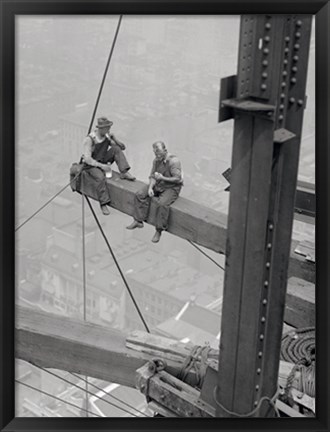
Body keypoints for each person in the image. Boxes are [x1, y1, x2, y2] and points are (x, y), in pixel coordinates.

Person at [126, 141, 183, 243]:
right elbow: (153, 176)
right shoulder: (156, 160)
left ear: (165, 151)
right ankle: (138, 220)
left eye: (159, 153)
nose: (157, 156)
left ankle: (159, 230)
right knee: (140, 194)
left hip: (171, 187)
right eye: (156, 154)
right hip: (159, 184)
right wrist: (150, 188)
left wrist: (163, 177)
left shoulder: (174, 161)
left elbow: (177, 179)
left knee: (162, 204)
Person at [81, 117, 135, 215]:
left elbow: (122, 148)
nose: (109, 130)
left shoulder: (106, 136)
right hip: (91, 165)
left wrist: (115, 139)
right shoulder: (90, 139)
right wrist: (102, 166)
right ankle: (103, 203)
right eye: (107, 128)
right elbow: (88, 159)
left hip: (102, 160)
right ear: (101, 128)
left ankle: (124, 172)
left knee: (115, 149)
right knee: (100, 178)